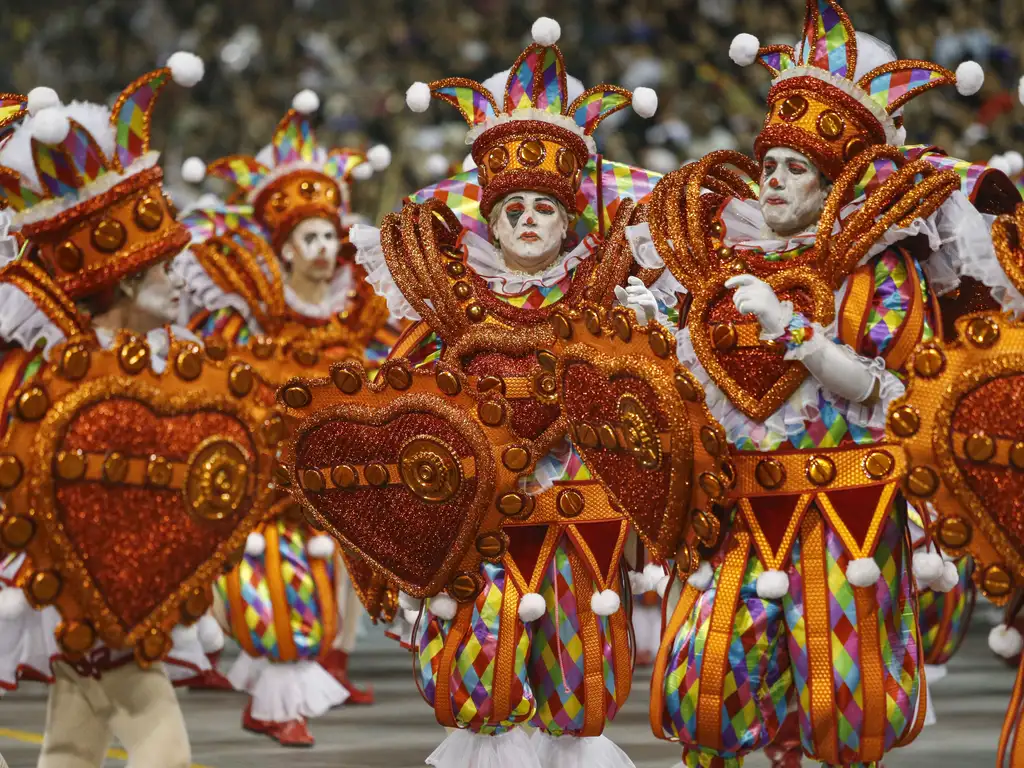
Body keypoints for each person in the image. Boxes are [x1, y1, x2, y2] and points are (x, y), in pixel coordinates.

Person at [629, 2, 1009, 765]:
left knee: (838, 694)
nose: (772, 180)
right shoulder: (714, 261)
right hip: (737, 509)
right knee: (708, 683)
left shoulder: (882, 266)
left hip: (847, 511)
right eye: (768, 166)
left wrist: (798, 336)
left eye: (794, 168)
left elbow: (894, 392)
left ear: (834, 180)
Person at [338, 17, 665, 768]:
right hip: (483, 524)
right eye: (512, 209)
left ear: (568, 217)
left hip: (583, 520)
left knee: (577, 673)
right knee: (481, 677)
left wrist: (643, 343)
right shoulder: (453, 302)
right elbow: (405, 401)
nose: (526, 221)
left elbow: (651, 409)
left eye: (543, 208)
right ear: (489, 216)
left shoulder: (609, 293)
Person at [0, 53, 214, 768]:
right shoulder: (57, 368)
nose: (179, 283)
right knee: (160, 745)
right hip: (76, 579)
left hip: (122, 586)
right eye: (164, 271)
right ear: (124, 279)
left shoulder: (172, 354)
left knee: (72, 740)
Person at [171, 91, 396, 746]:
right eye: (310, 237)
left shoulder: (361, 304)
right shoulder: (250, 305)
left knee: (343, 575)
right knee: (274, 576)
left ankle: (321, 665)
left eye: (330, 233)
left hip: (346, 464)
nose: (325, 247)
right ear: (286, 247)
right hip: (273, 470)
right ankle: (277, 690)